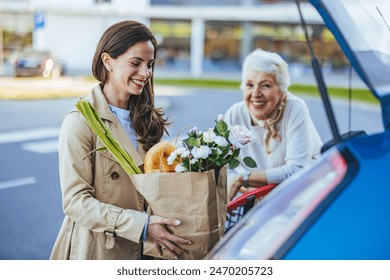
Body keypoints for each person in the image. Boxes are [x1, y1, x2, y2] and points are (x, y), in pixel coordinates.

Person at [50, 20, 192, 260]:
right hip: (100, 251)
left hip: (146, 251)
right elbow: (75, 202)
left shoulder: (147, 119)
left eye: (150, 64)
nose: (146, 73)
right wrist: (142, 226)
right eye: (136, 63)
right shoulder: (80, 122)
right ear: (108, 61)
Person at [225, 48, 323, 202]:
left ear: (282, 91)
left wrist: (244, 178)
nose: (256, 94)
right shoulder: (235, 114)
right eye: (250, 85)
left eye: (265, 85)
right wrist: (242, 184)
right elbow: (224, 167)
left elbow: (297, 170)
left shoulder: (295, 108)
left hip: (303, 194)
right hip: (257, 198)